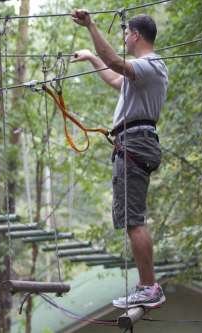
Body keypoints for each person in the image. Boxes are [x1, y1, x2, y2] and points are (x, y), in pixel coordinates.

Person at [70, 9, 168, 309]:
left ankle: (149, 287)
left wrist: (91, 25)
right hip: (136, 142)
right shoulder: (142, 71)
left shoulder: (149, 65)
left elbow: (115, 62)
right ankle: (147, 284)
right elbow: (114, 76)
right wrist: (90, 57)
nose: (124, 38)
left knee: (133, 221)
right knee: (132, 219)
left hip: (135, 143)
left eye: (127, 33)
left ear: (136, 35)